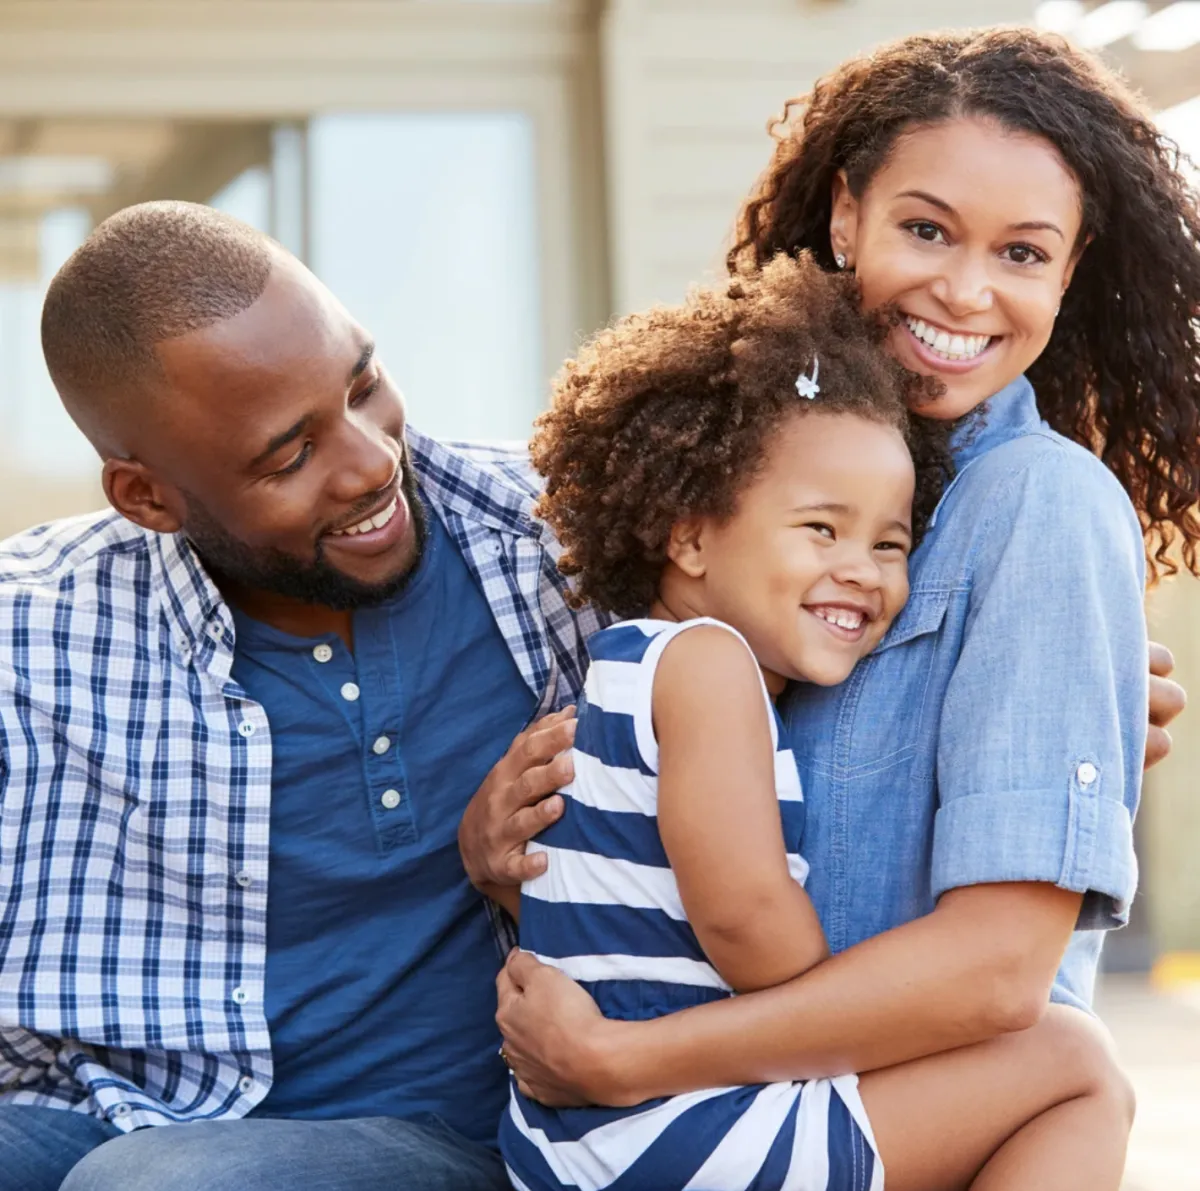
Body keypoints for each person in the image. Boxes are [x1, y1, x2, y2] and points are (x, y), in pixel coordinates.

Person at [464, 26, 1200, 1166]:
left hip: (838, 1112)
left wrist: (631, 1062)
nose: (964, 289)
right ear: (847, 214)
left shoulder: (1044, 509)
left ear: (1072, 266)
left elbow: (1002, 973)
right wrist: (500, 845)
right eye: (925, 228)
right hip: (730, 1127)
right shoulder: (732, 471)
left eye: (1023, 252)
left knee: (1078, 1075)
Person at [0, 201, 605, 1191]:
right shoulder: (30, 636)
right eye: (292, 454)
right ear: (148, 499)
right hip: (113, 1109)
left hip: (445, 1143)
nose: (372, 461)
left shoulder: (564, 552)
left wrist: (532, 870)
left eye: (364, 386)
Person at [499, 253, 1134, 1191]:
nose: (864, 569)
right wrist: (844, 996)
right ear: (691, 534)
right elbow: (746, 916)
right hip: (666, 1131)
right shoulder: (709, 667)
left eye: (890, 542)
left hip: (590, 1131)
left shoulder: (628, 669)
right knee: (1074, 1066)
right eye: (821, 530)